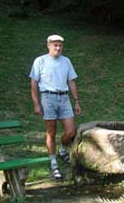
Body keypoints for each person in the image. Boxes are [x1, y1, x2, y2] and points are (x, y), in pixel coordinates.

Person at [29, 34, 81, 179]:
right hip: (47, 98)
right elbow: (33, 83)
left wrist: (76, 101)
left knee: (70, 131)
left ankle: (62, 149)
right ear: (48, 45)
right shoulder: (40, 61)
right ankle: (53, 163)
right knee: (51, 132)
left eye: (60, 45)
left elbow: (71, 81)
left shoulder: (66, 61)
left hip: (64, 98)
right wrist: (36, 104)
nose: (58, 48)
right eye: (55, 45)